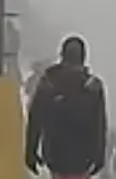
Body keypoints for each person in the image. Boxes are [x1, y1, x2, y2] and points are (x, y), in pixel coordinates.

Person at [25, 35, 109, 179]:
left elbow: (35, 119)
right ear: (83, 58)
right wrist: (99, 156)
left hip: (56, 157)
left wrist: (30, 151)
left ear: (62, 56)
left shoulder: (48, 84)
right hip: (83, 159)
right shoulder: (93, 88)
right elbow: (100, 124)